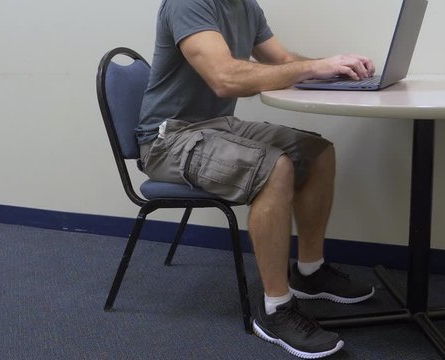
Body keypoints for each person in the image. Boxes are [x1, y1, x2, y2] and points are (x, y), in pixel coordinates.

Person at [137, 0, 376, 358]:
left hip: (216, 127)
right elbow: (224, 78)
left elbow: (281, 59)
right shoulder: (188, 4)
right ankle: (275, 310)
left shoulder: (245, 6)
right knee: (275, 167)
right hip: (169, 140)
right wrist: (313, 68)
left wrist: (335, 68)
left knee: (317, 152)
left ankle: (309, 272)